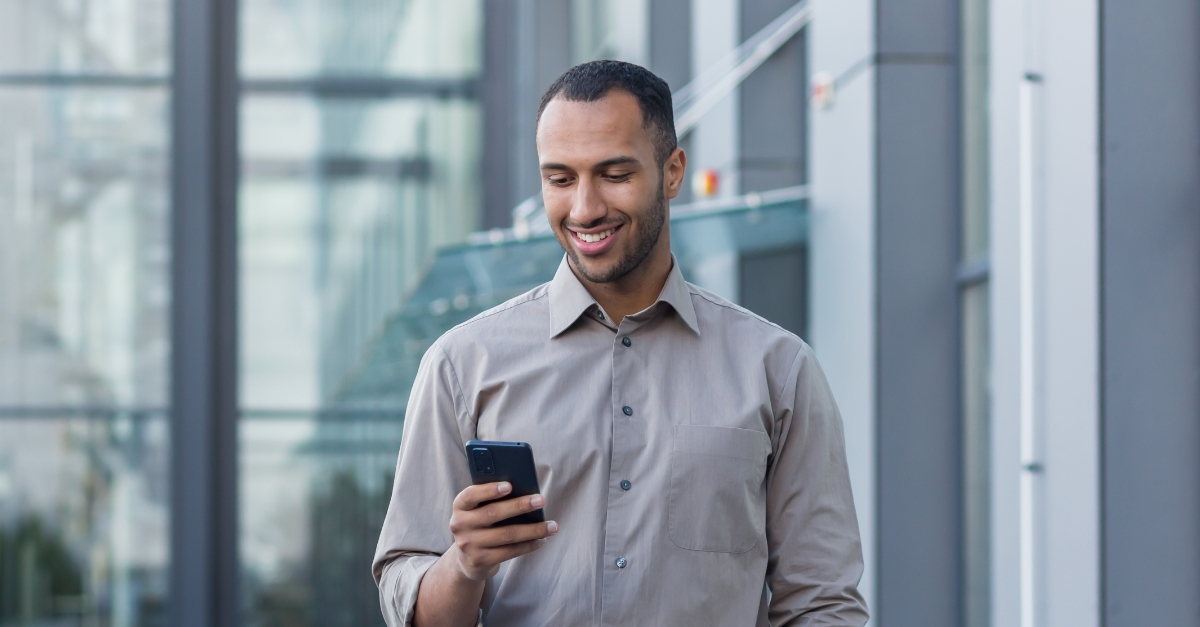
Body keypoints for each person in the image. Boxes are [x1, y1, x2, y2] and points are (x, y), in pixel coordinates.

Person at [373, 60, 868, 627]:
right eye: (560, 179)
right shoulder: (462, 365)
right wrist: (464, 565)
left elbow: (822, 603)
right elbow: (405, 598)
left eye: (614, 174)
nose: (584, 209)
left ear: (673, 171)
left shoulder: (779, 370)